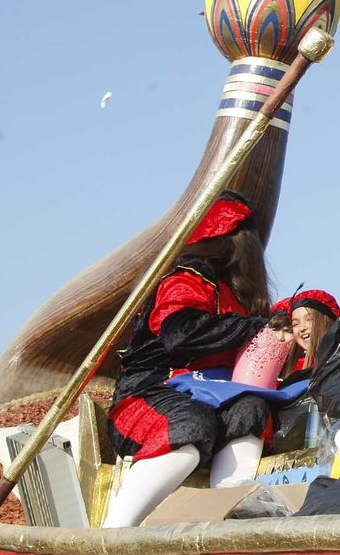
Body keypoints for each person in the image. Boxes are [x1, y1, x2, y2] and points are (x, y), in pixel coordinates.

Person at [101, 195, 274, 527]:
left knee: (251, 408)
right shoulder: (187, 278)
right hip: (149, 395)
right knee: (190, 425)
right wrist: (252, 327)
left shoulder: (240, 293)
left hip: (212, 397)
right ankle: (112, 536)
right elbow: (180, 335)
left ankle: (225, 524)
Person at [282, 289, 340, 382]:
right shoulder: (290, 371)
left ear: (327, 321)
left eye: (309, 319)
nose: (302, 328)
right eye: (295, 324)